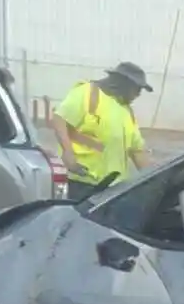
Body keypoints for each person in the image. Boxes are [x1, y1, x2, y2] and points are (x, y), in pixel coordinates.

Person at [49, 61, 153, 201]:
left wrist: (153, 177)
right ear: (123, 83)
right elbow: (59, 119)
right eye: (137, 89)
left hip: (112, 188)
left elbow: (137, 150)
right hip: (81, 182)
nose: (139, 94)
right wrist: (68, 153)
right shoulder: (88, 93)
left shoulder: (126, 111)